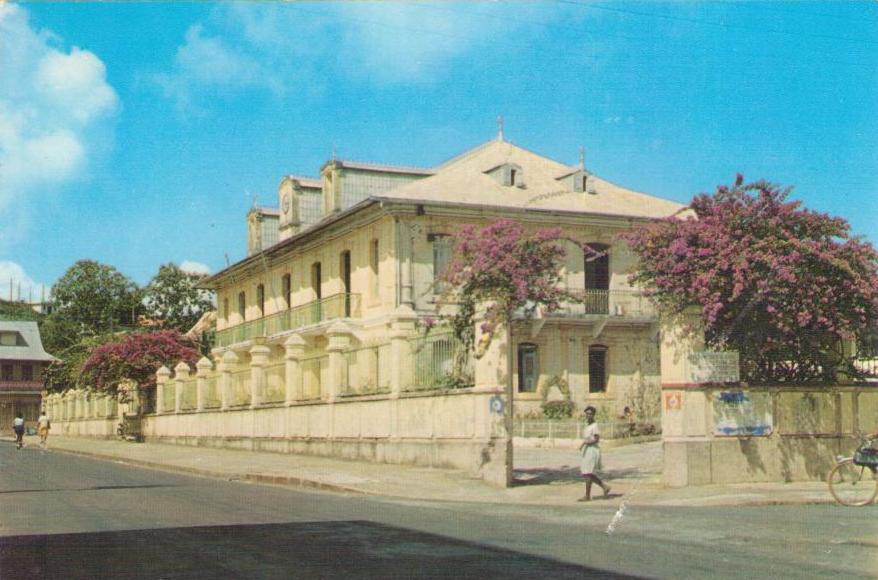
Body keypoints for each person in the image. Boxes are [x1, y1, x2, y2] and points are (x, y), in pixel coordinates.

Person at [578, 406, 611, 501]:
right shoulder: (587, 425)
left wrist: (586, 443)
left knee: (587, 472)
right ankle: (604, 486)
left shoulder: (594, 426)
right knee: (586, 473)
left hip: (592, 450)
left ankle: (587, 496)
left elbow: (596, 439)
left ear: (593, 415)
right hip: (587, 450)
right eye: (587, 414)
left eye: (590, 414)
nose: (588, 415)